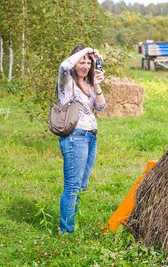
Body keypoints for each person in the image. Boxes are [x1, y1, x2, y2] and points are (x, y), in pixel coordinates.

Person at [57, 45, 106, 233]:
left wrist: (96, 82)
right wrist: (87, 49)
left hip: (90, 137)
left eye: (88, 62)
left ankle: (70, 223)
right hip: (75, 136)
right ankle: (66, 230)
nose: (85, 65)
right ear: (74, 62)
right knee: (72, 186)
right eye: (81, 61)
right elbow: (63, 66)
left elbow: (101, 107)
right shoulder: (66, 82)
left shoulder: (88, 84)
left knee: (81, 185)